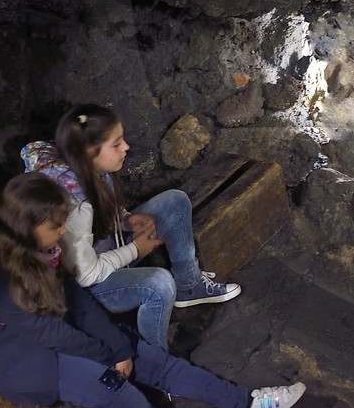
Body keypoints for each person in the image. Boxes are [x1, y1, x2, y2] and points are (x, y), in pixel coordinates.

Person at [0, 173, 305, 408]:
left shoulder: (44, 250)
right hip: (28, 364)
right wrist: (108, 356)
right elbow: (53, 336)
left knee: (151, 359)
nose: (64, 229)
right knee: (124, 399)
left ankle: (247, 406)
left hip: (61, 335)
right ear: (27, 226)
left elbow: (79, 303)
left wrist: (117, 347)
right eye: (56, 225)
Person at [22, 103, 239, 350]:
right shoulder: (73, 205)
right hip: (88, 289)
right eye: (116, 144)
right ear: (89, 151)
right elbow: (85, 274)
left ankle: (189, 287)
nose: (126, 147)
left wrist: (125, 219)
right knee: (159, 284)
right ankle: (155, 364)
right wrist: (137, 249)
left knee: (175, 201)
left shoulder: (89, 169)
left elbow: (103, 207)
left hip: (103, 249)